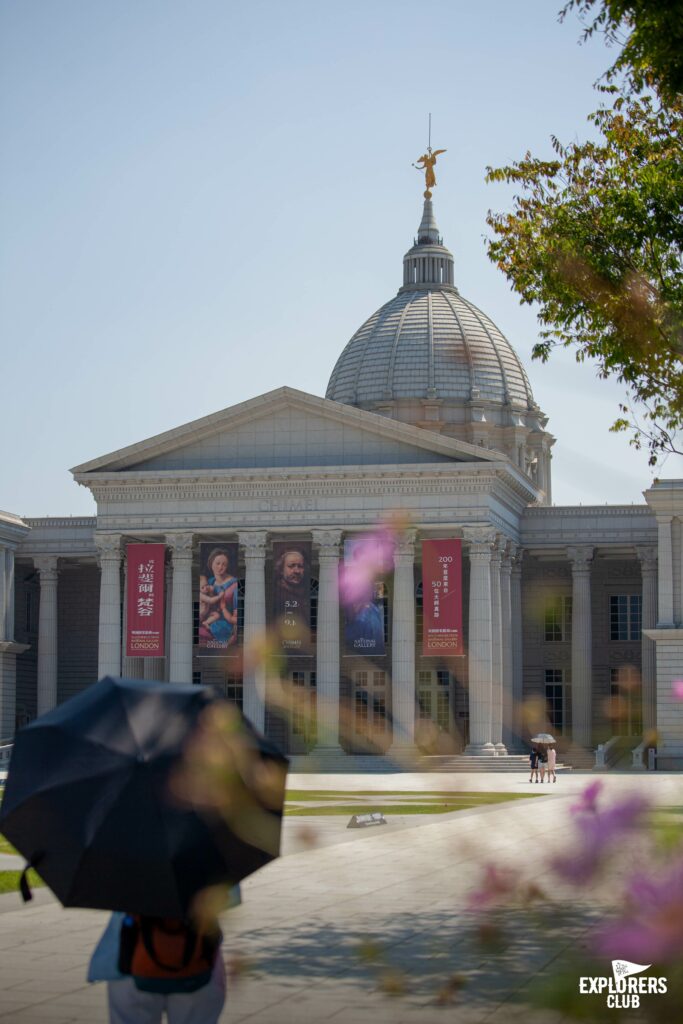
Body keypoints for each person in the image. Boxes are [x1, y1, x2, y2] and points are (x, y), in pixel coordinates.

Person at [199, 548, 238, 647]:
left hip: (225, 626)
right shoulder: (210, 582)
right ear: (211, 563)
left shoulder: (235, 584)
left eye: (224, 564)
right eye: (217, 563)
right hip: (210, 620)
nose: (220, 567)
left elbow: (236, 618)